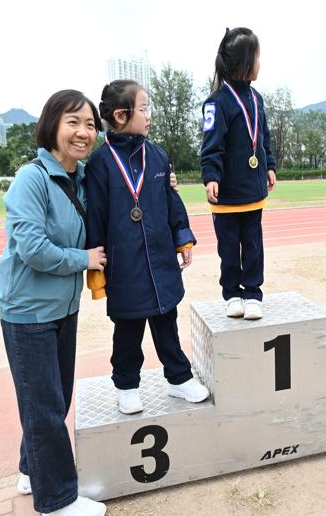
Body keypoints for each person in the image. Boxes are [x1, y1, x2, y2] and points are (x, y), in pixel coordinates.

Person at [0, 90, 107, 515]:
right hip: (28, 312)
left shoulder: (82, 177)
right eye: (72, 122)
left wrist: (163, 181)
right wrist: (85, 259)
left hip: (64, 308)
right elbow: (32, 249)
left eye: (90, 124)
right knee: (44, 405)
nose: (83, 132)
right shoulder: (32, 178)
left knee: (52, 398)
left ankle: (32, 470)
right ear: (52, 126)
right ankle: (57, 500)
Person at [85, 80, 209, 415]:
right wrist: (96, 269)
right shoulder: (100, 163)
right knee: (128, 331)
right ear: (121, 115)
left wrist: (182, 238)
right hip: (124, 266)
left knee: (167, 324)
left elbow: (172, 203)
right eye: (143, 108)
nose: (149, 114)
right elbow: (95, 217)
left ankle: (179, 378)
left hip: (160, 261)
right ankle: (126, 385)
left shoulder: (157, 156)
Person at [200, 27, 277, 320]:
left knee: (254, 246)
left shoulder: (257, 99)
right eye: (257, 57)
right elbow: (211, 144)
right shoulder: (217, 103)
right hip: (227, 194)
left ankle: (253, 294)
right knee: (229, 248)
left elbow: (264, 137)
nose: (260, 62)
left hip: (253, 191)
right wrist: (211, 176)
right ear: (245, 62)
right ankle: (232, 294)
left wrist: (269, 165)